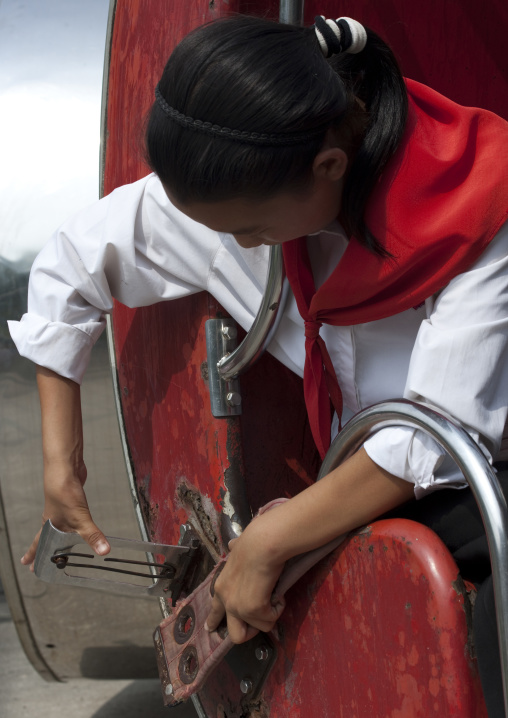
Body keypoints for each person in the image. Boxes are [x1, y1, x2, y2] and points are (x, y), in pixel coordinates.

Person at [8, 14, 508, 716]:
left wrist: (272, 540)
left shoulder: (486, 208)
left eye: (250, 231)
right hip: (360, 472)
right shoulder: (254, 180)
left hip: (469, 473)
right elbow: (75, 260)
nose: (237, 245)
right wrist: (62, 460)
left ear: (329, 167)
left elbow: (435, 436)